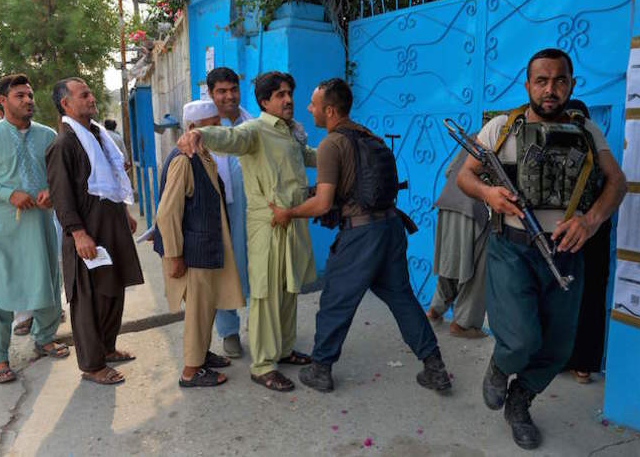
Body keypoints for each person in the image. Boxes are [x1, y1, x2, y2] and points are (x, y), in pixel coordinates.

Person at [457, 49, 627, 449]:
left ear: (571, 83)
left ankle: (520, 401)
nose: (551, 89)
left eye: (560, 80)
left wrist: (590, 220)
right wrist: (489, 194)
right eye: (542, 81)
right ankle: (501, 366)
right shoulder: (501, 127)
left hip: (567, 251)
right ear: (528, 85)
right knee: (520, 340)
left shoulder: (587, 130)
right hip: (512, 248)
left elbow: (617, 183)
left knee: (559, 347)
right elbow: (465, 175)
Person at [269, 78, 452, 394]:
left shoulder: (331, 144)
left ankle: (321, 369)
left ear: (329, 110)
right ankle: (435, 367)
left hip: (361, 235)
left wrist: (288, 213)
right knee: (402, 298)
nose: (308, 109)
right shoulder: (370, 137)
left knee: (335, 299)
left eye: (313, 104)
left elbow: (324, 202)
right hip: (391, 228)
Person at [177, 71, 316, 392]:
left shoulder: (290, 132)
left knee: (288, 289)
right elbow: (229, 139)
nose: (288, 100)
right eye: (280, 95)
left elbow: (305, 156)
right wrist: (201, 135)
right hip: (266, 225)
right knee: (266, 293)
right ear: (265, 102)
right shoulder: (253, 130)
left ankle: (283, 349)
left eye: (289, 93)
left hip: (293, 221)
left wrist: (341, 152)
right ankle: (263, 365)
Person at [46, 77, 144, 385]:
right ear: (66, 104)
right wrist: (78, 234)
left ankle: (108, 348)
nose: (91, 98)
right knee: (89, 298)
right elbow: (61, 196)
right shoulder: (63, 144)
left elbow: (112, 180)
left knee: (113, 289)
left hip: (111, 224)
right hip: (88, 231)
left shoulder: (98, 135)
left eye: (90, 93)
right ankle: (92, 365)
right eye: (83, 94)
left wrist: (124, 211)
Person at [0, 74, 68, 384]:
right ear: (3, 101)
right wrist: (8, 194)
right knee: (1, 290)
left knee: (47, 278)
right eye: (20, 96)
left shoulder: (47, 136)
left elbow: (60, 176)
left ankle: (44, 338)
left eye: (30, 95)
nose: (29, 100)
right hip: (2, 226)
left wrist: (51, 193)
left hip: (41, 220)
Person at [155, 100, 245, 387]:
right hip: (192, 253)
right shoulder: (184, 160)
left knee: (206, 307)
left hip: (205, 248)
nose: (219, 130)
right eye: (213, 125)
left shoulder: (203, 155)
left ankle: (202, 355)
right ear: (193, 128)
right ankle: (192, 371)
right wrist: (174, 255)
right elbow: (167, 213)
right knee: (197, 311)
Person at [563, 99, 612, 384]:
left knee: (561, 297)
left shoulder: (559, 150)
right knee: (590, 298)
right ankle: (582, 366)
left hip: (569, 234)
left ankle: (560, 360)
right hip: (595, 234)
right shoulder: (600, 149)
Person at [205, 67, 252, 359]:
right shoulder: (205, 126)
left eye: (233, 89)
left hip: (253, 209)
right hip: (220, 210)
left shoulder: (252, 123)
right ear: (211, 94)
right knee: (225, 268)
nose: (229, 96)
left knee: (257, 265)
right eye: (221, 91)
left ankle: (260, 325)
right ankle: (229, 331)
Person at [426, 148, 490, 338]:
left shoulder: (474, 138)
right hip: (471, 208)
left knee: (451, 260)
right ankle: (464, 324)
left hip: (447, 204)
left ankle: (436, 309)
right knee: (476, 268)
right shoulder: (504, 139)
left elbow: (449, 171)